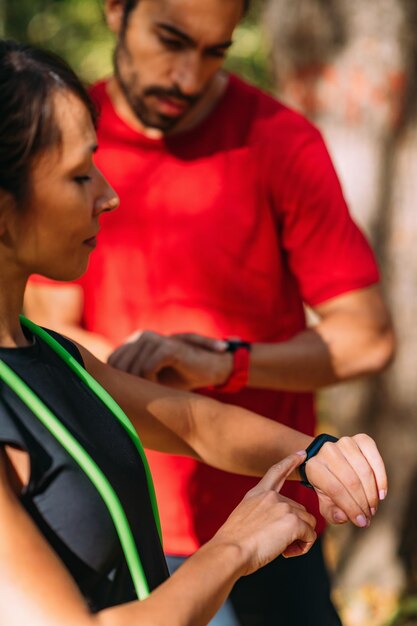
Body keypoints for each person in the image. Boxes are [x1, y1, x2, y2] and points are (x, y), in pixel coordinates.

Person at [24, 0, 395, 624]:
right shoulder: (57, 137)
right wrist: (139, 356)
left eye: (215, 50)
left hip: (279, 508)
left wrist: (225, 366)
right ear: (116, 11)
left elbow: (366, 341)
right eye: (170, 40)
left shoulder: (278, 139)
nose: (188, 78)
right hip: (127, 517)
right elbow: (46, 334)